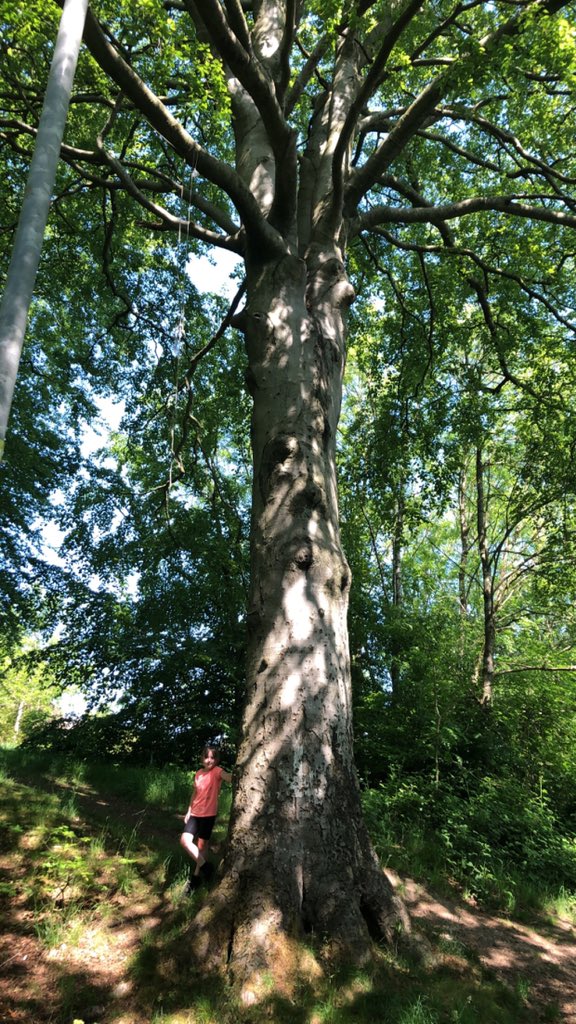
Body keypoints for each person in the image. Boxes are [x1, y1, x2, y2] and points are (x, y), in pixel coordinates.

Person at [180, 745, 232, 891]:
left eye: (212, 757)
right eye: (206, 757)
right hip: (195, 814)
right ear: (202, 758)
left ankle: (195, 879)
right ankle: (206, 867)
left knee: (202, 846)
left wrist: (241, 771)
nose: (209, 760)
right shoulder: (198, 773)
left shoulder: (217, 771)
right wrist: (189, 810)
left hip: (208, 815)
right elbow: (194, 793)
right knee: (185, 841)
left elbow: (229, 778)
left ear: (216, 760)